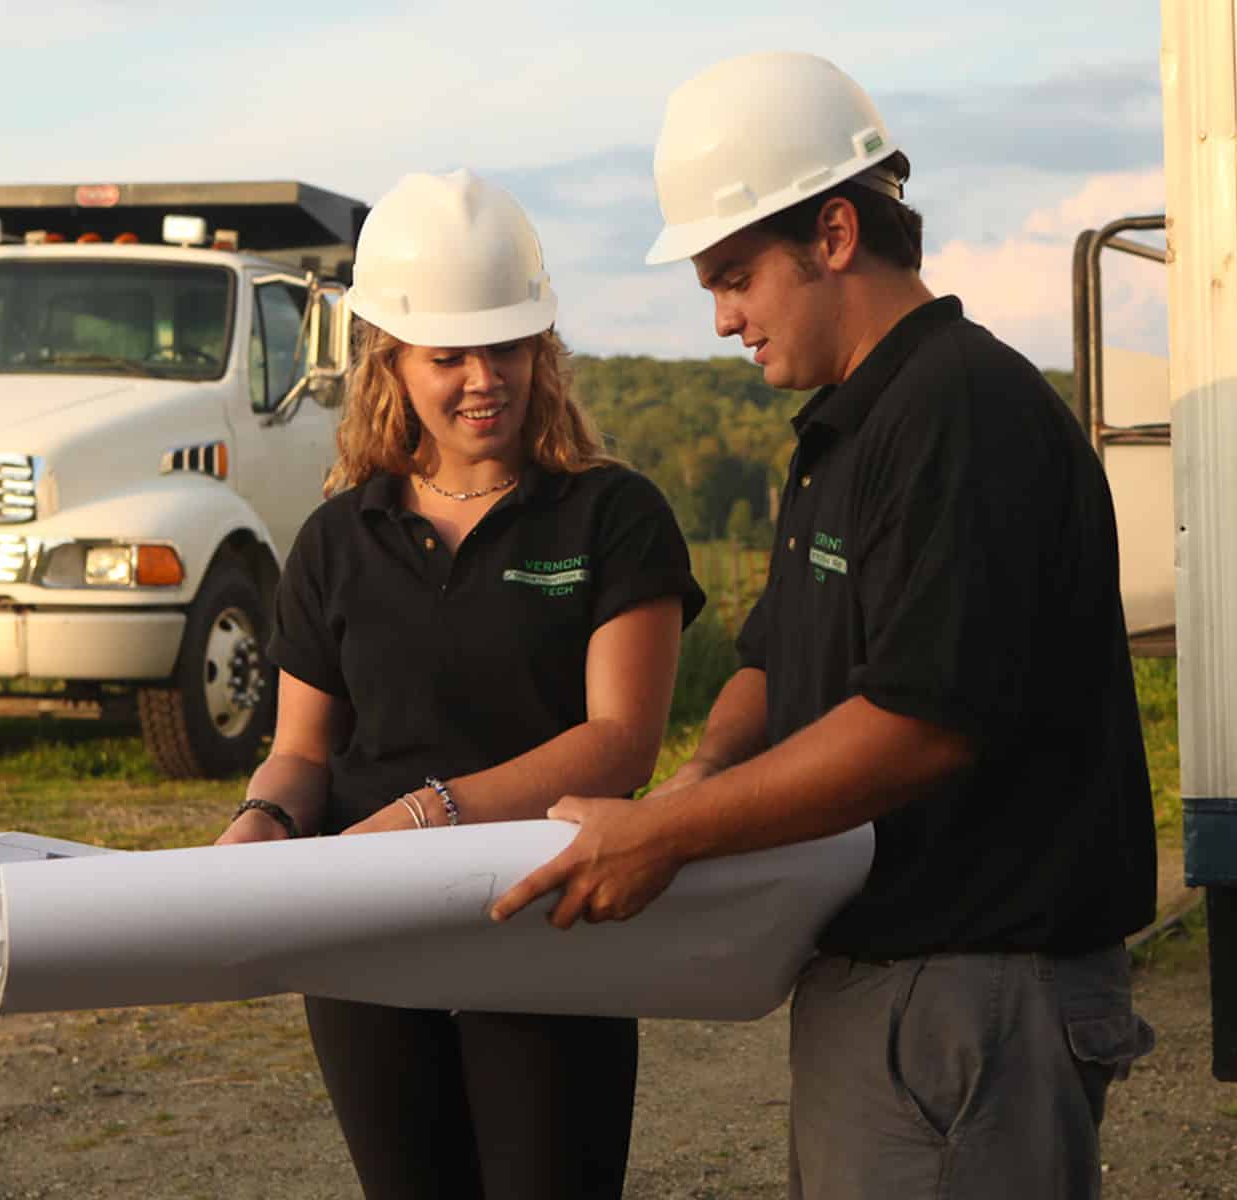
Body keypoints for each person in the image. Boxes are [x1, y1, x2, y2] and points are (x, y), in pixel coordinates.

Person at [492, 52, 1157, 1198]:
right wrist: (697, 774)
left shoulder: (960, 413)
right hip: (905, 985)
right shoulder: (852, 428)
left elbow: (920, 723)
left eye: (734, 276)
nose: (719, 320)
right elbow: (771, 658)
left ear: (835, 234)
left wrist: (671, 834)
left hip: (971, 989)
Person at [216, 167, 704, 1200]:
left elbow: (621, 741)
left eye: (507, 348)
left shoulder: (610, 517)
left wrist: (430, 815)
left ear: (544, 350)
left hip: (541, 919)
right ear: (389, 363)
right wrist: (261, 819)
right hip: (362, 923)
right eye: (448, 357)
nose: (483, 379)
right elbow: (303, 751)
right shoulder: (338, 537)